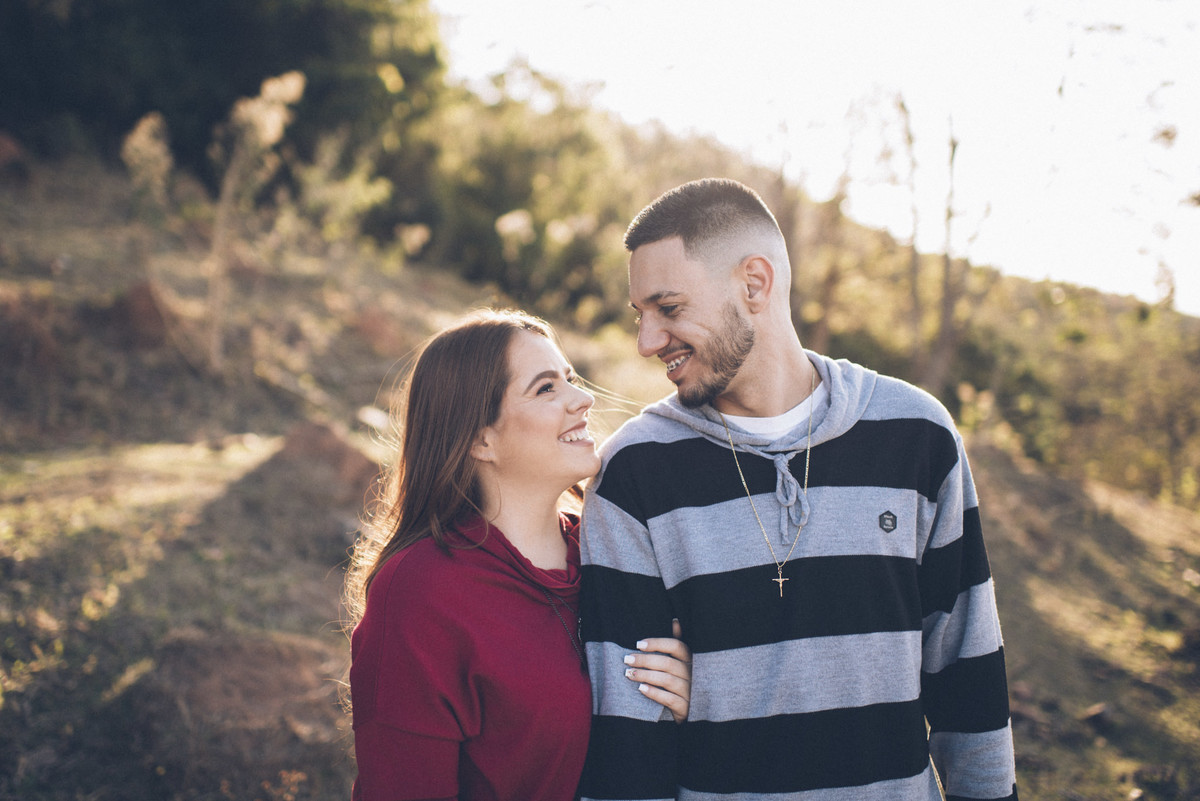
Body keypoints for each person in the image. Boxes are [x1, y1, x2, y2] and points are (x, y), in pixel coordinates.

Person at [578, 178, 1018, 801]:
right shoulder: (633, 473)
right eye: (640, 316)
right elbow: (627, 731)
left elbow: (967, 672)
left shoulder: (915, 434)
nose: (648, 341)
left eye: (668, 309)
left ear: (754, 284)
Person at [344, 309, 693, 801]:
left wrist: (691, 700)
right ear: (479, 439)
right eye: (546, 388)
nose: (585, 398)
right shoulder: (421, 590)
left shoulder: (620, 548)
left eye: (570, 379)